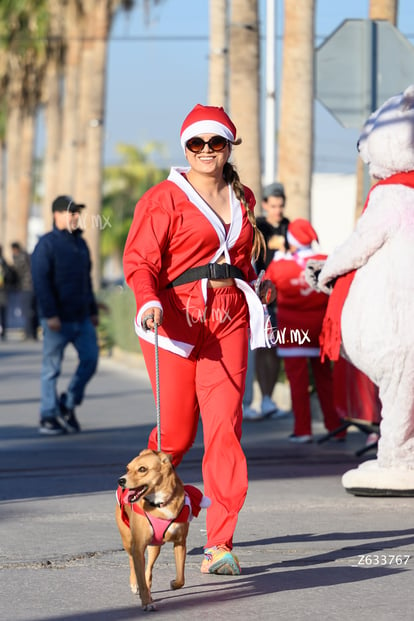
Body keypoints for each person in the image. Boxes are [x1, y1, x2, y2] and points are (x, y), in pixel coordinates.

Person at [123, 104, 273, 576]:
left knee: (225, 429)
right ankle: (139, 493)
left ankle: (220, 543)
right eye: (196, 143)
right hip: (173, 324)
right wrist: (147, 299)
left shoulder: (244, 195)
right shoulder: (162, 198)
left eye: (216, 143)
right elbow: (140, 260)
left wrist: (259, 285)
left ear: (230, 146)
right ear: (185, 147)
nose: (206, 151)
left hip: (227, 323)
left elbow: (243, 259)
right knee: (177, 436)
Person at [265, 218, 343, 443]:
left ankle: (303, 430)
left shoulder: (279, 265)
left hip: (291, 331)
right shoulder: (327, 261)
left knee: (297, 382)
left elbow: (267, 294)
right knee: (325, 379)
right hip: (321, 327)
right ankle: (335, 427)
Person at [31, 195, 99, 435]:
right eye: (70, 212)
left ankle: (67, 405)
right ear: (56, 215)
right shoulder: (46, 245)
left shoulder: (80, 244)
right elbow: (40, 282)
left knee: (90, 360)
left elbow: (86, 281)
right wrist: (50, 315)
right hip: (57, 320)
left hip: (81, 317)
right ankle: (48, 415)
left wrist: (92, 310)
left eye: (77, 212)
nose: (75, 217)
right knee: (51, 368)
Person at [243, 182, 290, 420]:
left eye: (281, 205)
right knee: (261, 349)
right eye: (273, 205)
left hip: (283, 298)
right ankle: (254, 401)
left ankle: (269, 399)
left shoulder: (287, 227)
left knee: (275, 350)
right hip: (261, 296)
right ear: (264, 205)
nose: (277, 210)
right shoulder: (258, 226)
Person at [11, 242, 38, 340]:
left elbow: (18, 272)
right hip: (33, 286)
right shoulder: (28, 256)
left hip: (26, 287)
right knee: (32, 311)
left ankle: (29, 333)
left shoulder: (20, 257)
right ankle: (33, 332)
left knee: (27, 311)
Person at [0, 246, 17, 340]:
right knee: (3, 312)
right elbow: (10, 275)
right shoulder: (4, 262)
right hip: (3, 290)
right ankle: (3, 331)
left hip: (2, 291)